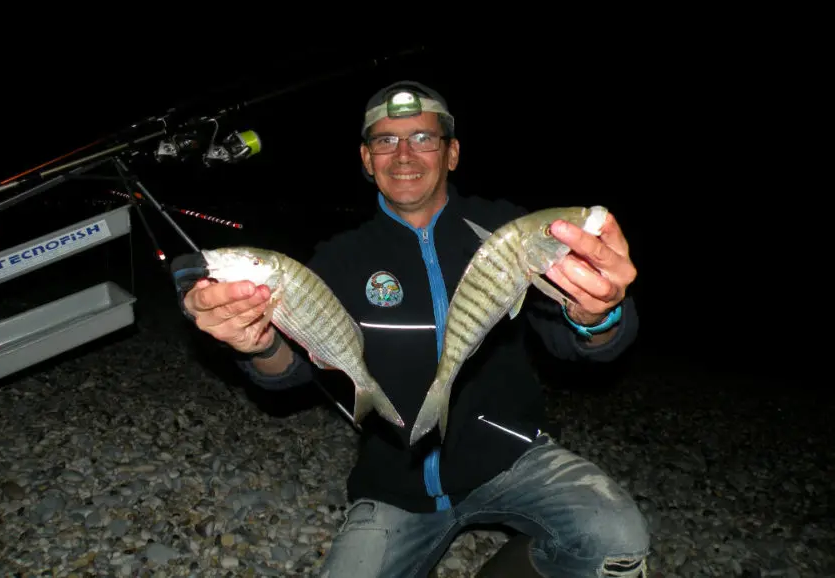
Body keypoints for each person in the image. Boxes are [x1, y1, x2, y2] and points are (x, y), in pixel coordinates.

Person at [173, 81, 650, 577]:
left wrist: (599, 314)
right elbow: (290, 373)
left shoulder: (511, 232)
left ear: (452, 153)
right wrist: (257, 343)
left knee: (616, 539)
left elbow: (583, 344)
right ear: (365, 157)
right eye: (385, 140)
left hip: (511, 454)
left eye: (423, 138)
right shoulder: (338, 258)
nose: (403, 154)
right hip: (395, 481)